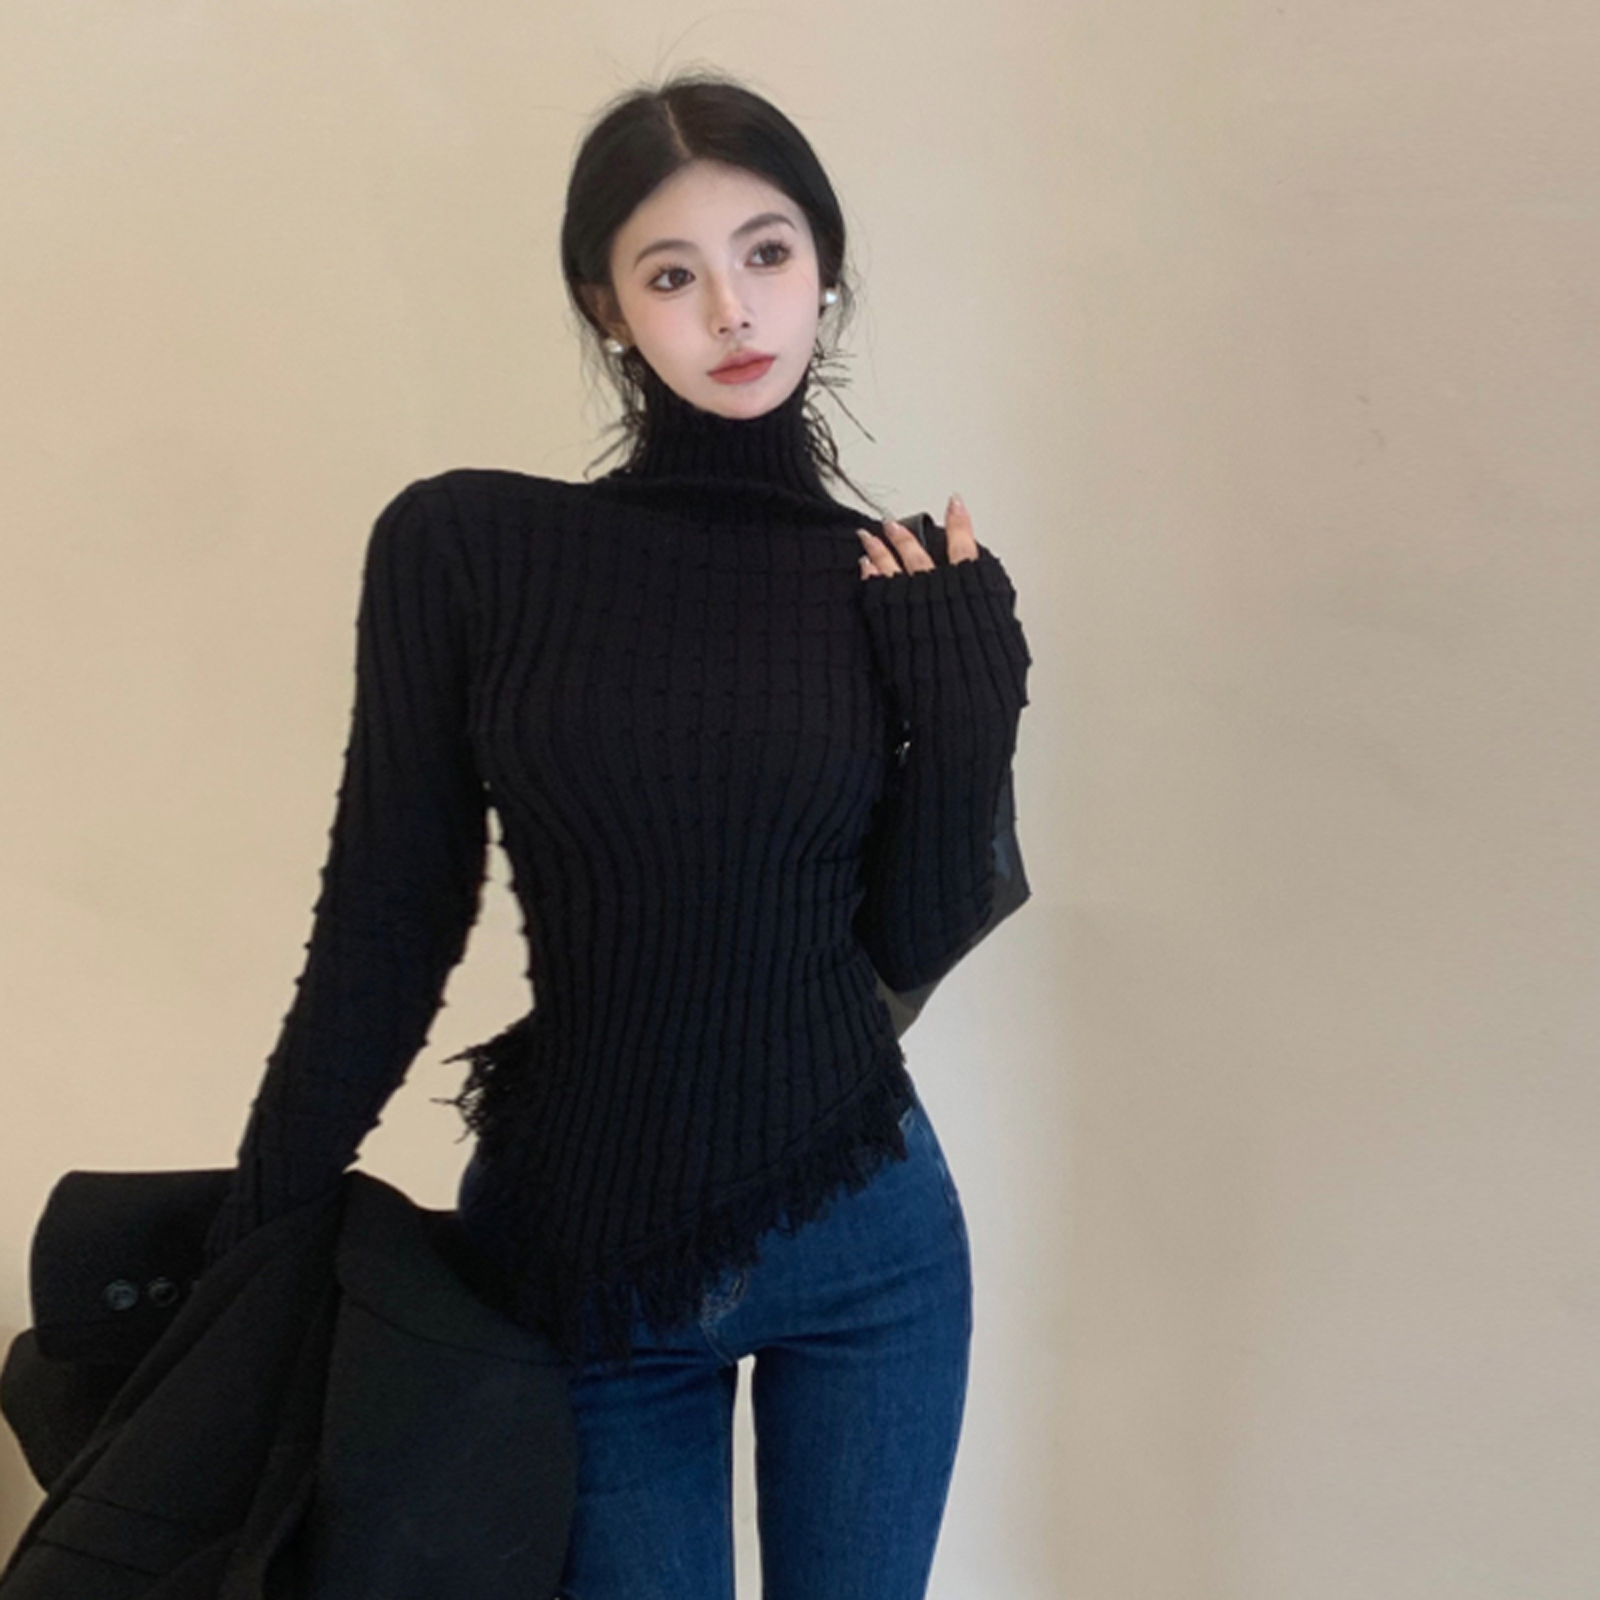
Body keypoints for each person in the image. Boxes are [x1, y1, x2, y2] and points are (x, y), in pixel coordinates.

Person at [201, 68, 1032, 1600]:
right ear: (607, 307)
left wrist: (972, 705)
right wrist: (258, 1234)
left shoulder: (895, 582)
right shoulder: (473, 548)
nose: (732, 309)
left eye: (766, 252)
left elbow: (909, 941)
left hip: (870, 1247)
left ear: (824, 267)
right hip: (585, 1263)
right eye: (671, 272)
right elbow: (389, 916)